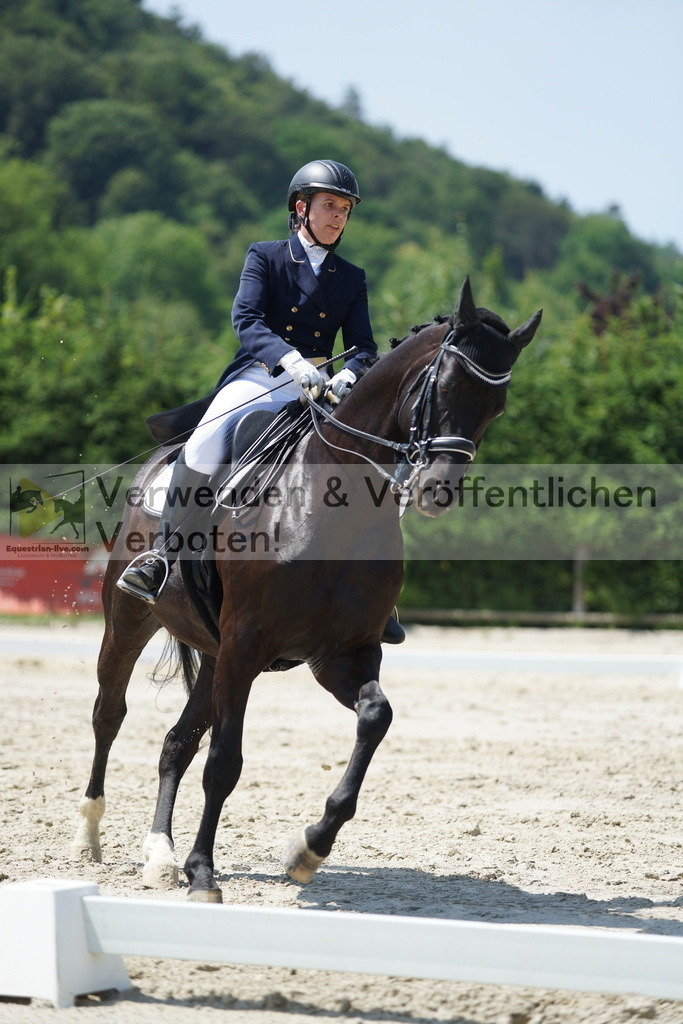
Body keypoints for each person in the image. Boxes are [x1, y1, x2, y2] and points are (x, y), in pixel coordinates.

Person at [116, 159, 405, 643]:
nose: (338, 216)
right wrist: (291, 361)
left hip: (321, 387)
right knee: (205, 445)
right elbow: (246, 319)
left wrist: (349, 377)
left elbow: (364, 345)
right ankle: (161, 558)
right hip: (263, 375)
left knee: (370, 464)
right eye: (330, 205)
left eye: (345, 209)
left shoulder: (351, 277)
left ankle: (379, 593)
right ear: (301, 208)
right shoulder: (266, 256)